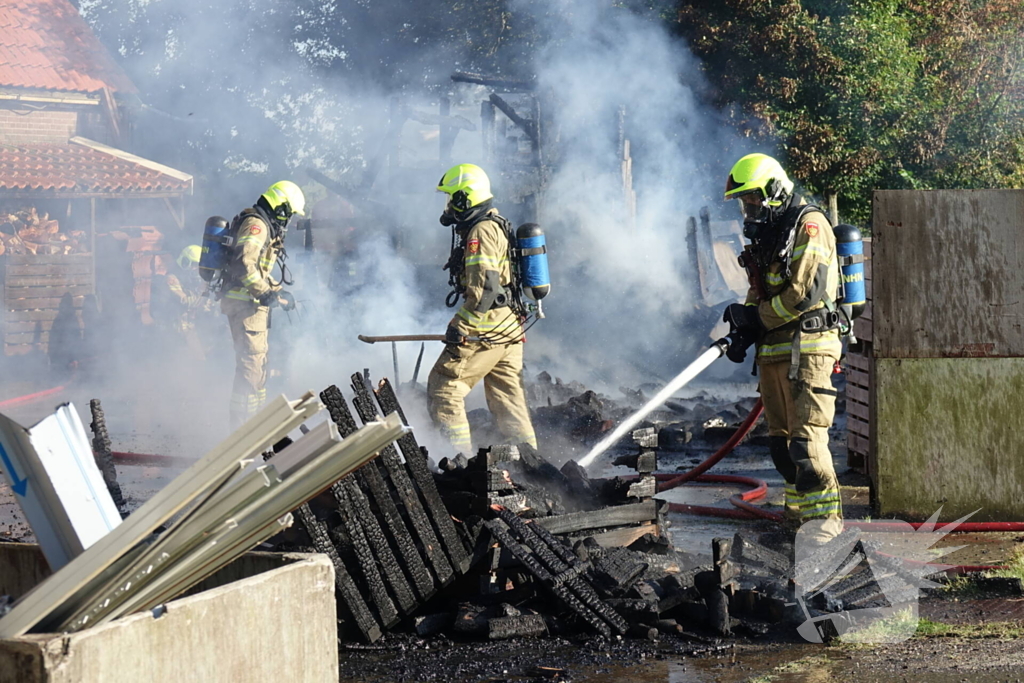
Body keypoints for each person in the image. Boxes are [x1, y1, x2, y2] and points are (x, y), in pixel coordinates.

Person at [721, 153, 843, 544]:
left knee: (807, 444)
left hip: (808, 348)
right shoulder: (769, 233)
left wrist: (757, 319)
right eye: (744, 202)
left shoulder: (808, 226)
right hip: (774, 351)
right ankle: (797, 523)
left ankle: (824, 532)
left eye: (753, 198)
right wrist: (744, 327)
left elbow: (802, 293)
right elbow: (760, 289)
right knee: (782, 447)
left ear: (774, 190)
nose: (749, 208)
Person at [426, 163, 537, 454]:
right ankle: (530, 464)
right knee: (508, 400)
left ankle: (456, 460)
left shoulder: (480, 232)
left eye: (452, 198)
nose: (449, 206)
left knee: (444, 388)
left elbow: (484, 291)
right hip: (509, 327)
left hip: (486, 328)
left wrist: (459, 326)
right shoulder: (495, 224)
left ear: (465, 198)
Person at [221, 180, 304, 428]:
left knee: (259, 367)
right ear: (281, 207)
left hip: (252, 307)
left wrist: (278, 291)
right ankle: (242, 430)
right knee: (250, 370)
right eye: (289, 213)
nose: (288, 220)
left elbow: (260, 271)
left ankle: (255, 424)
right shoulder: (257, 225)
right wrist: (265, 292)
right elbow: (245, 264)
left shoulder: (263, 225)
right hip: (245, 308)